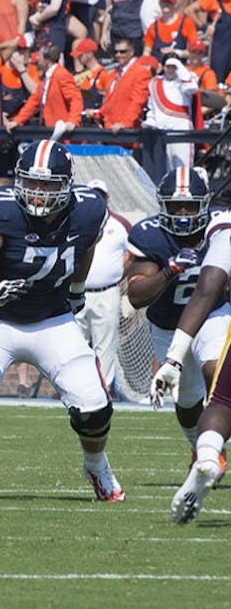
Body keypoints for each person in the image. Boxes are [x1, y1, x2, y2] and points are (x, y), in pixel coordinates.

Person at [0, 140, 124, 502]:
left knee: (94, 406)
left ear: (67, 184)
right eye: (31, 183)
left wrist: (77, 288)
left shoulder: (89, 211)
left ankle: (97, 466)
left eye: (48, 184)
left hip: (52, 319)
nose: (38, 193)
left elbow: (84, 245)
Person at [130, 168, 229, 471]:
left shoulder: (219, 227)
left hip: (213, 315)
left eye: (190, 206)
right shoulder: (150, 234)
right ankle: (199, 448)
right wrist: (169, 271)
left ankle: (214, 439)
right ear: (162, 205)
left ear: (205, 204)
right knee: (186, 401)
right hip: (167, 324)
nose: (183, 214)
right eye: (175, 206)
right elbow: (136, 295)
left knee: (216, 368)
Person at [157, 196, 231, 522]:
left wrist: (174, 359)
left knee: (222, 404)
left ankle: (207, 458)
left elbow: (206, 290)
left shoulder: (225, 228)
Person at [75, 180, 131, 394]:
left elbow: (135, 252)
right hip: (77, 291)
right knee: (74, 344)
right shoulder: (77, 220)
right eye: (93, 194)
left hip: (107, 291)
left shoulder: (119, 224)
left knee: (105, 345)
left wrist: (120, 272)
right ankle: (76, 388)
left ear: (107, 198)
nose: (97, 199)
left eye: (101, 195)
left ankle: (103, 390)